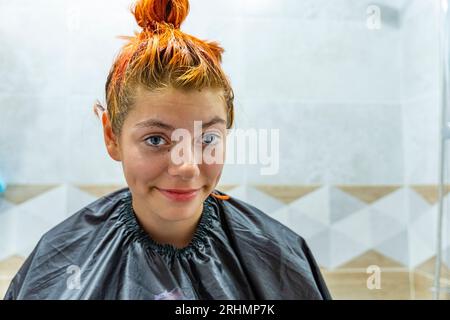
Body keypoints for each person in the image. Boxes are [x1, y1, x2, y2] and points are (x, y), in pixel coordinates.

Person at [4, 0, 331, 300]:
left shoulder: (277, 255)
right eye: (156, 140)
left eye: (207, 139)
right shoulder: (60, 260)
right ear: (111, 136)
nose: (187, 166)